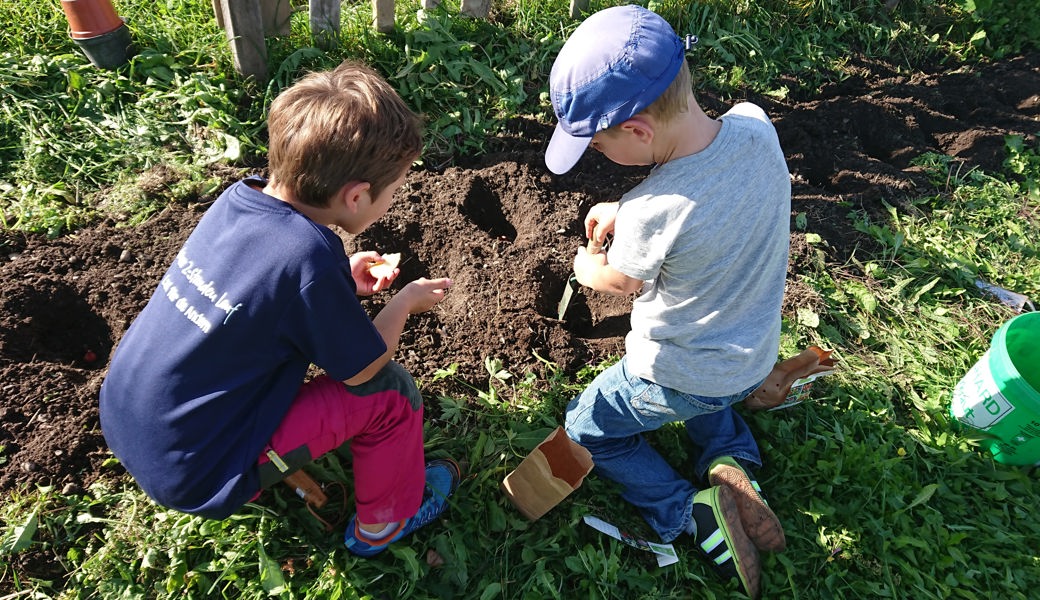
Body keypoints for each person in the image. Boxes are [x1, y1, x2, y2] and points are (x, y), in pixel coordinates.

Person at [99, 60, 459, 557]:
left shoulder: (238, 198)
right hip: (197, 472)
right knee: (391, 395)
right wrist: (403, 303)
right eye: (393, 191)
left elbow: (262, 285)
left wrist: (338, 279)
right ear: (355, 197)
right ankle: (385, 527)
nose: (393, 200)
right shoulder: (307, 259)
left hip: (127, 417)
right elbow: (365, 368)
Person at [546, 6, 791, 598]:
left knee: (589, 430)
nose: (600, 157)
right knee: (712, 387)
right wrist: (627, 211)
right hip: (752, 352)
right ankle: (732, 459)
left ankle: (687, 512)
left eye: (599, 146)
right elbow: (707, 190)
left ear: (637, 131)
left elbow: (620, 282)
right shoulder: (756, 126)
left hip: (678, 371)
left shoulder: (656, 208)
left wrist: (586, 266)